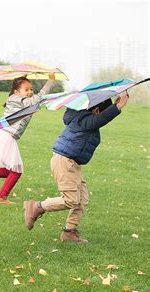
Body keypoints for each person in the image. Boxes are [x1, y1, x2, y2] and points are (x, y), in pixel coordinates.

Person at [23, 93, 130, 242]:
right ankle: (36, 206)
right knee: (71, 200)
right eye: (102, 112)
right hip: (64, 161)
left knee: (82, 199)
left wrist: (113, 105)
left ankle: (69, 232)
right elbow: (99, 120)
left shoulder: (83, 117)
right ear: (96, 110)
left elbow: (98, 120)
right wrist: (117, 107)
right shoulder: (84, 119)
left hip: (71, 162)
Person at [0, 75, 55, 204]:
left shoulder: (22, 100)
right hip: (5, 136)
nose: (30, 92)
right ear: (17, 92)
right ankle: (1, 197)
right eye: (26, 89)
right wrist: (50, 82)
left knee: (13, 169)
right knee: (17, 170)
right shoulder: (16, 99)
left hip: (5, 136)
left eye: (31, 89)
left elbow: (37, 102)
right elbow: (35, 100)